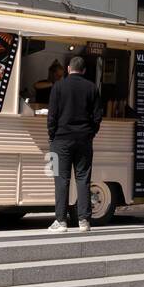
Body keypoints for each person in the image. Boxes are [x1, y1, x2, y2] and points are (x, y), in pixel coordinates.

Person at [47, 55, 102, 231]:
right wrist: (90, 133)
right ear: (84, 71)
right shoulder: (92, 88)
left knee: (61, 179)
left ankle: (61, 221)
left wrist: (52, 135)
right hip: (84, 140)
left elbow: (52, 115)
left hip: (60, 140)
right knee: (83, 179)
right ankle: (84, 221)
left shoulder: (58, 86)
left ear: (69, 69)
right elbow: (97, 116)